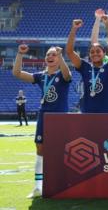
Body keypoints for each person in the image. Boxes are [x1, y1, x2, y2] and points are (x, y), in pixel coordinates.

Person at [13, 43, 71, 198]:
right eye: (48, 55)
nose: (50, 57)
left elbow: (67, 75)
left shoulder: (62, 74)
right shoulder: (40, 76)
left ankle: (63, 183)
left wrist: (61, 56)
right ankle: (38, 187)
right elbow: (17, 73)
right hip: (44, 115)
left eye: (54, 55)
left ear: (59, 59)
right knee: (40, 149)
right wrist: (20, 54)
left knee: (60, 149)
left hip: (60, 116)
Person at [67, 18, 108, 113]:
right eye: (92, 52)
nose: (95, 54)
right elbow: (69, 52)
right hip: (88, 112)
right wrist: (74, 29)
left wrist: (107, 24)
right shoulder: (85, 67)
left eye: (98, 51)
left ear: (104, 53)